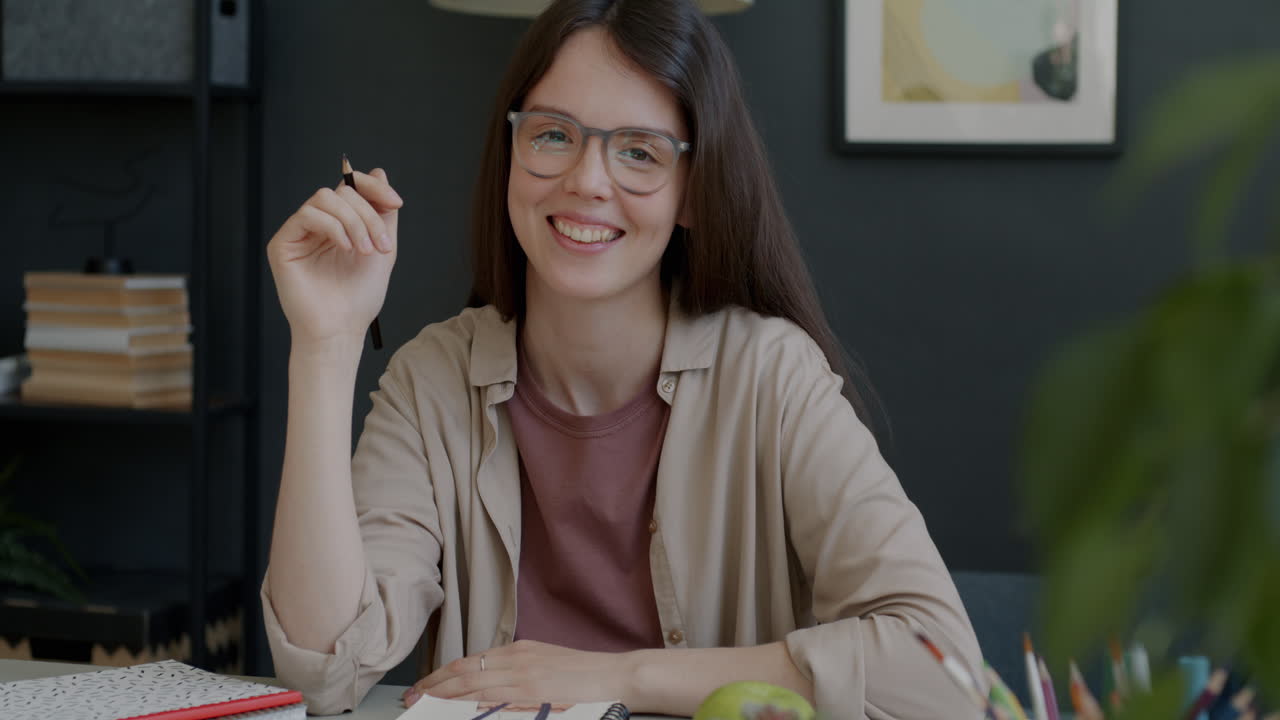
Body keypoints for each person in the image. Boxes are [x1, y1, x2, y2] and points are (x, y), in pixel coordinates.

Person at [261, 0, 983, 716]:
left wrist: (616, 676)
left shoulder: (773, 377)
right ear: (511, 155)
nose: (587, 180)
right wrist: (326, 345)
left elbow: (941, 672)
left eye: (639, 151)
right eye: (552, 135)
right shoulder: (433, 380)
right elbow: (325, 669)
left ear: (693, 193)